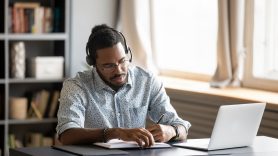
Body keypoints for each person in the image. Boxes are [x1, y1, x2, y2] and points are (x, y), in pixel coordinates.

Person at [56, 24, 191, 148]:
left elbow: (181, 127)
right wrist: (115, 133)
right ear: (93, 63)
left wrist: (172, 130)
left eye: (122, 61)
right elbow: (67, 135)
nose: (119, 70)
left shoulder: (146, 81)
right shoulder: (76, 86)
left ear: (129, 54)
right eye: (109, 65)